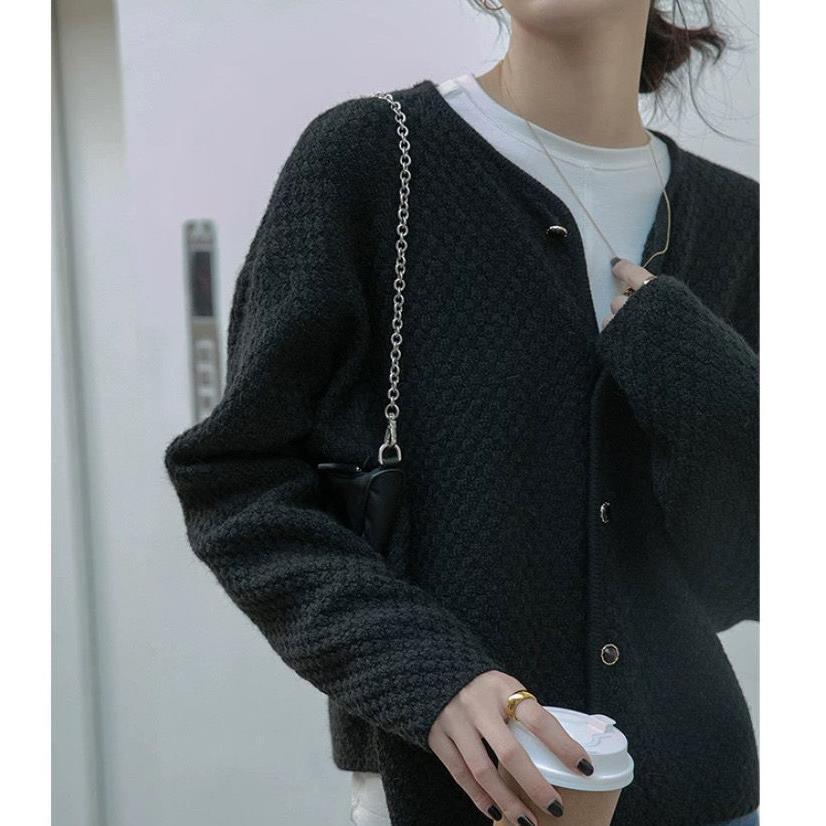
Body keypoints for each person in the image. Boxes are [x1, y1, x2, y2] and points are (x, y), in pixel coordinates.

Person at [164, 1, 759, 824]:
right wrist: (427, 673)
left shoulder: (743, 224)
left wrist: (695, 369)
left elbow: (743, 577)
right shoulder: (374, 160)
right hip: (449, 795)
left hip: (704, 792)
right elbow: (238, 484)